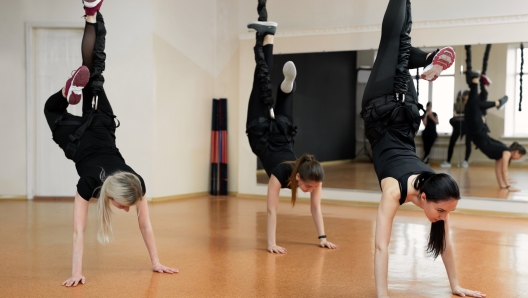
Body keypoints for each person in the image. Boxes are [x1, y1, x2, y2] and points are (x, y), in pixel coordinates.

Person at [43, 1, 177, 287]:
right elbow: (80, 231)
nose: (127, 209)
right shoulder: (91, 183)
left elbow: (144, 223)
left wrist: (156, 262)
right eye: (125, 205)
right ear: (115, 192)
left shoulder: (135, 182)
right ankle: (67, 92)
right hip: (79, 139)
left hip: (101, 124)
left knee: (95, 70)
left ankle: (92, 16)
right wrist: (76, 271)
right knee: (51, 110)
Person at [360, 0, 485, 297]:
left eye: (446, 213)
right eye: (442, 211)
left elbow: (445, 245)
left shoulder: (433, 191)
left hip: (391, 111)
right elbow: (380, 246)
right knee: (396, 43)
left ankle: (429, 58)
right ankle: (429, 58)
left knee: (399, 46)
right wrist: (382, 295)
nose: (443, 217)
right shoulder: (396, 191)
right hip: (394, 113)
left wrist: (456, 286)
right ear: (426, 197)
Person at [245, 1, 338, 254]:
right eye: (308, 187)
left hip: (277, 135)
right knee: (259, 79)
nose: (309, 191)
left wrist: (322, 237)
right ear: (297, 177)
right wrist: (271, 244)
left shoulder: (312, 176)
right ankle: (285, 84)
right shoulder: (279, 175)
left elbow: (314, 208)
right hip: (263, 136)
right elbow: (271, 209)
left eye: (312, 188)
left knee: (263, 82)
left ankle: (285, 82)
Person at [464, 45, 526, 190]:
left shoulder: (502, 152)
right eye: (519, 156)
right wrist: (509, 186)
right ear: (516, 152)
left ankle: (478, 83)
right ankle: (476, 82)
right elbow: (503, 170)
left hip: (476, 132)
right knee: (474, 105)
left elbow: (498, 170)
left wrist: (503, 186)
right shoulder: (505, 152)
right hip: (478, 132)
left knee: (475, 105)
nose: (518, 159)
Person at [441, 91, 472, 168]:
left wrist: (460, 116)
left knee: (468, 143)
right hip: (458, 126)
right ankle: (448, 161)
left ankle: (465, 161)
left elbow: (468, 117)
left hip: (466, 126)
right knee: (451, 143)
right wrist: (462, 116)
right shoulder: (456, 105)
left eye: (466, 96)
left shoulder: (470, 104)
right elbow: (455, 116)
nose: (464, 97)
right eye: (464, 96)